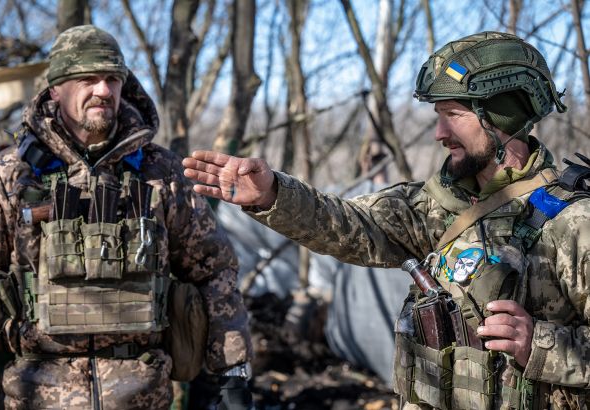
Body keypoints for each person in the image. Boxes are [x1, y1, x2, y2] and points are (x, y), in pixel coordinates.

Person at [183, 31, 590, 409]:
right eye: (437, 115)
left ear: (502, 117)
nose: (439, 133)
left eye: (454, 114)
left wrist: (538, 344)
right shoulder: (436, 205)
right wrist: (273, 193)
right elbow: (346, 224)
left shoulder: (574, 221)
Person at [0, 25, 253, 410]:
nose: (103, 91)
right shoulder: (7, 175)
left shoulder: (160, 173)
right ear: (55, 88)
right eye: (88, 78)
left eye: (112, 79)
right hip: (37, 392)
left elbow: (214, 271)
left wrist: (230, 376)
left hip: (143, 393)